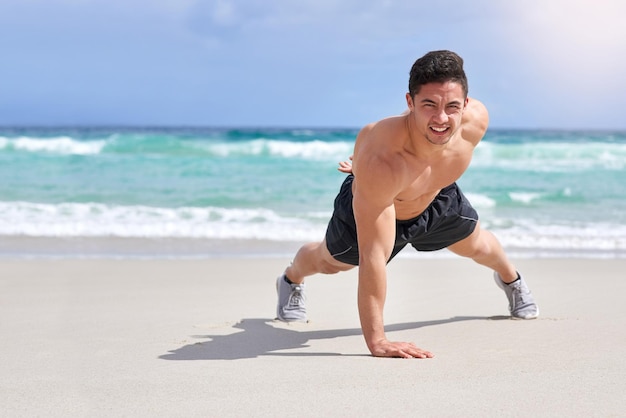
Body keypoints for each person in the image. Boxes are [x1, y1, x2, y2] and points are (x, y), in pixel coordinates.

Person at [275, 50, 538, 359]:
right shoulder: (383, 159)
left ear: (465, 104)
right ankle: (291, 279)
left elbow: (441, 142)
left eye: (452, 106)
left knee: (477, 244)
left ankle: (512, 281)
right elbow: (373, 254)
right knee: (330, 262)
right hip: (382, 198)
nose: (441, 118)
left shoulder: (474, 122)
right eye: (429, 105)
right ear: (409, 102)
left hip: (436, 194)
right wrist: (378, 341)